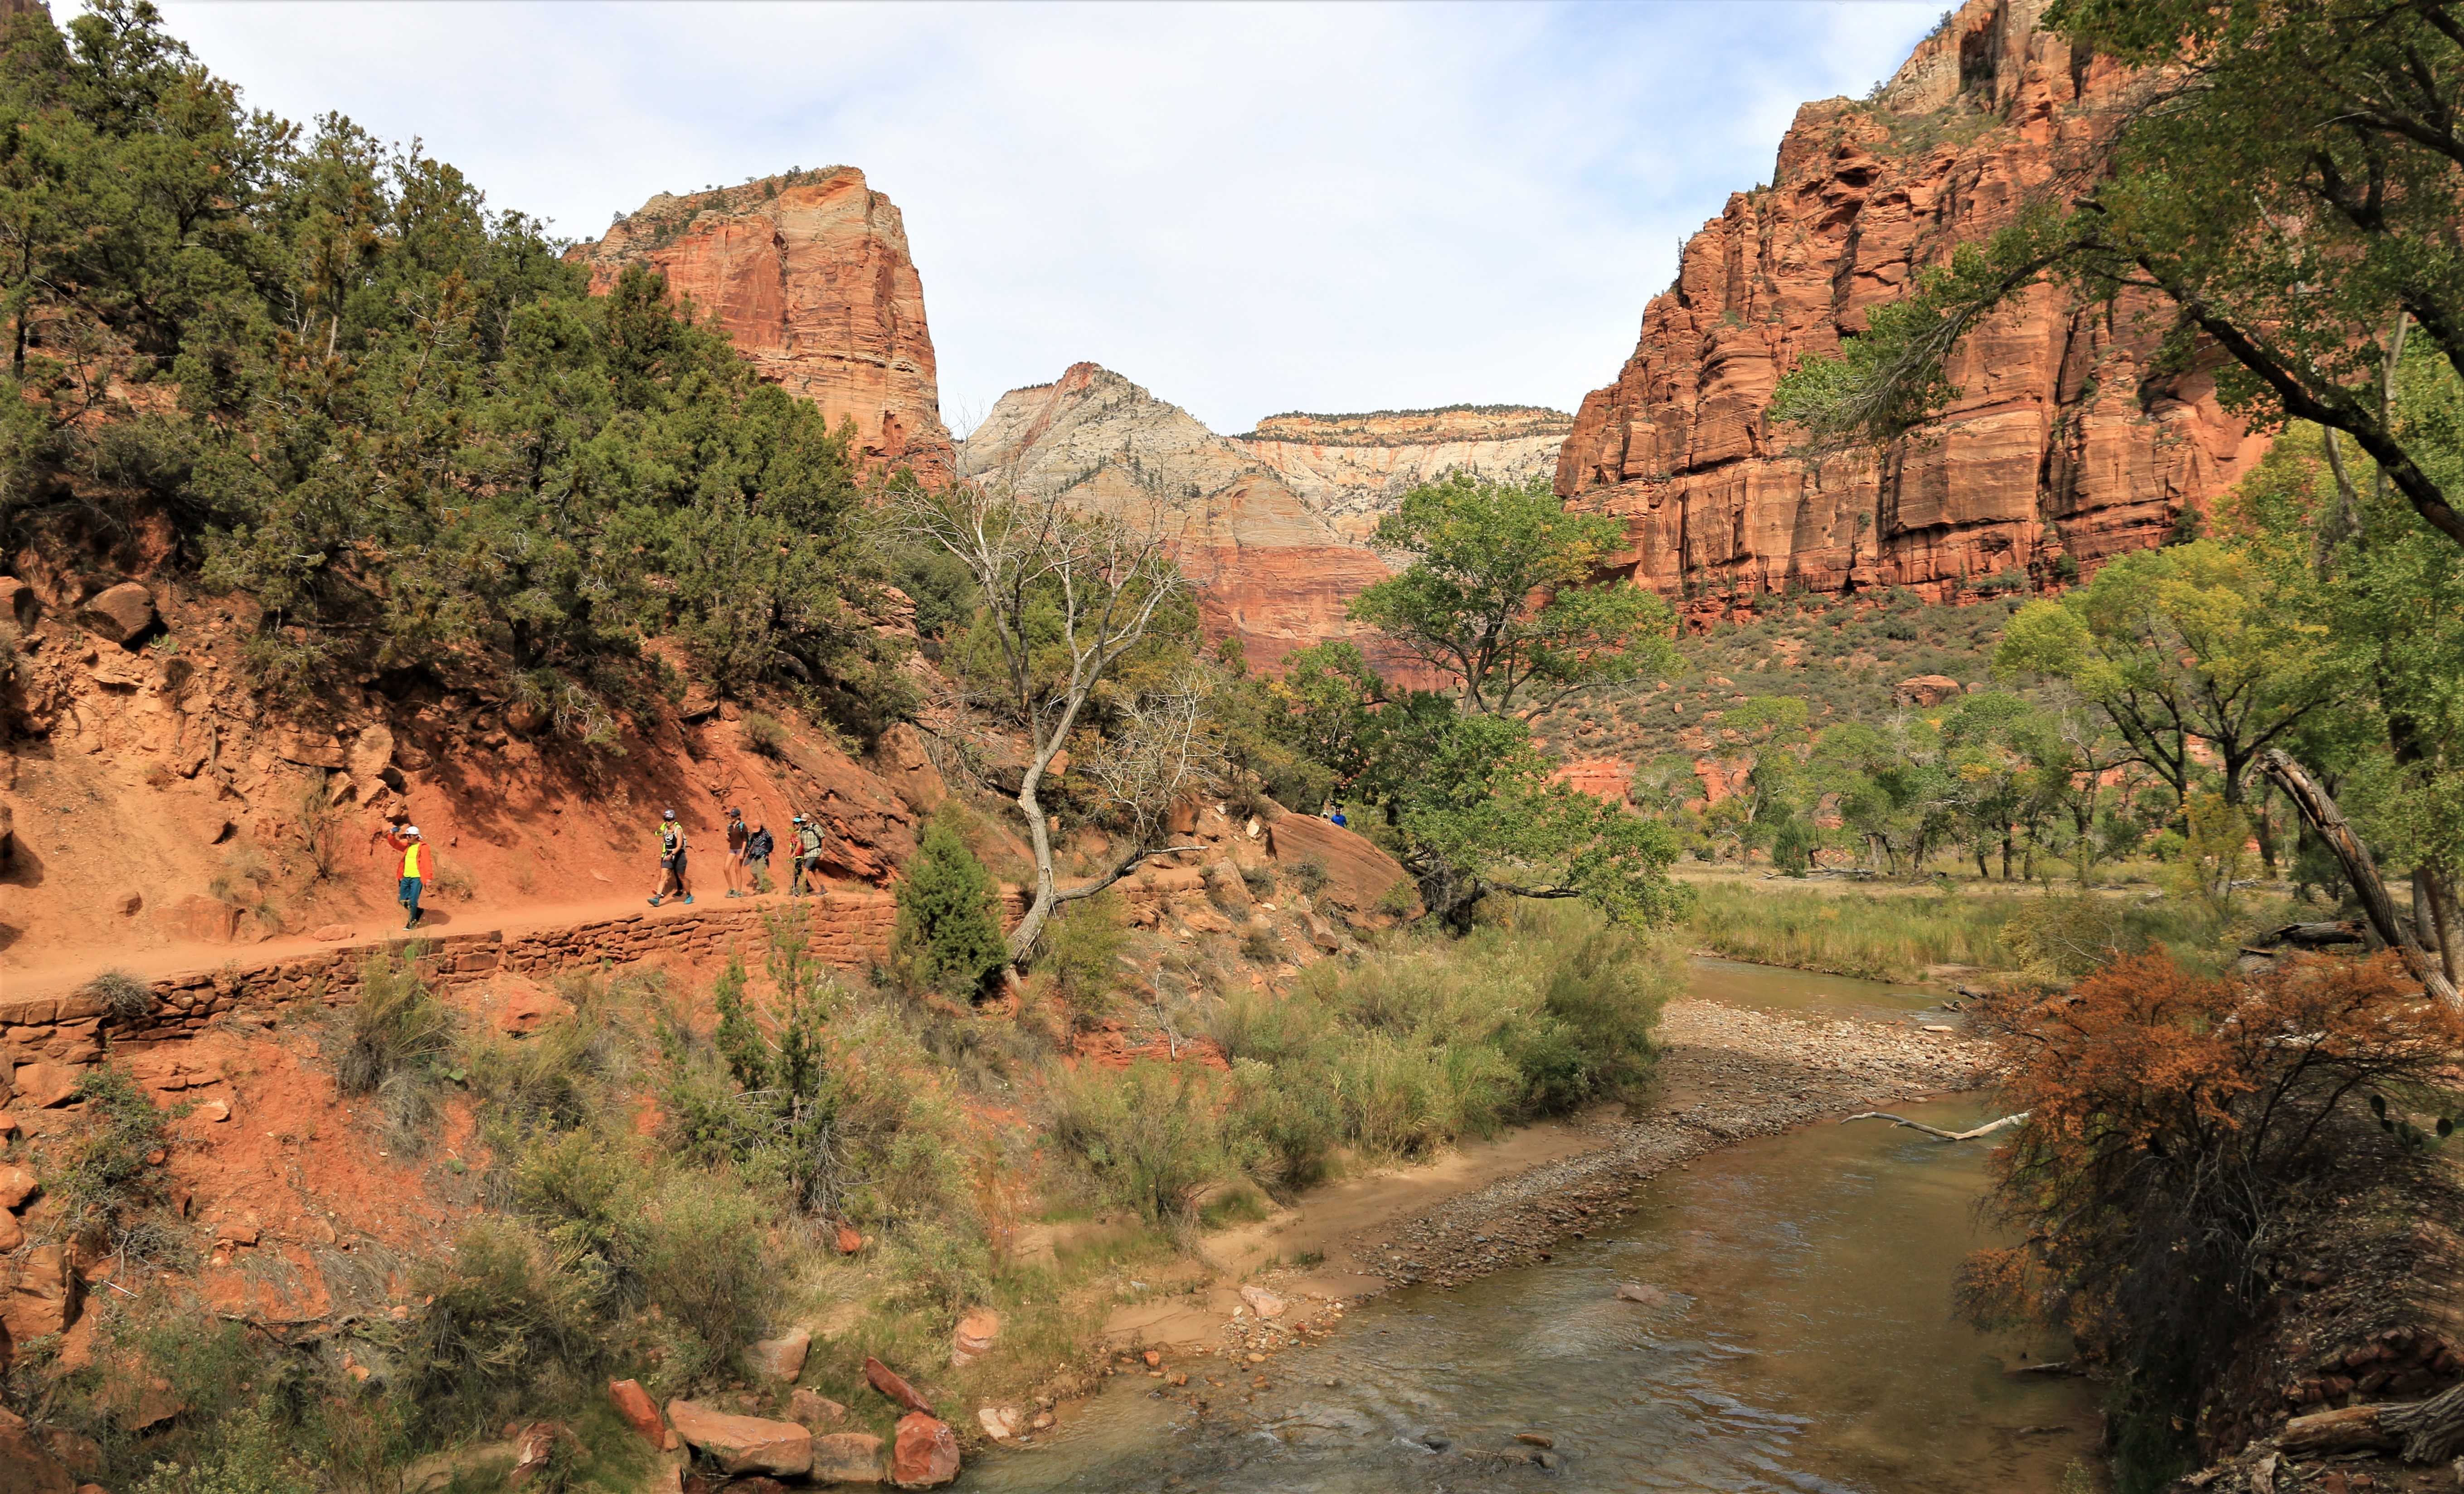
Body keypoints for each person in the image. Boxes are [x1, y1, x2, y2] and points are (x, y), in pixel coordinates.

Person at [370, 822, 427, 930]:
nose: (407, 838)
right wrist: (391, 834)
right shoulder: (407, 846)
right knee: (402, 900)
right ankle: (418, 911)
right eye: (406, 836)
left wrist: (428, 877)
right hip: (405, 877)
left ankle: (412, 923)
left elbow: (427, 862)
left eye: (409, 836)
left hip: (417, 878)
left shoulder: (423, 847)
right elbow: (395, 844)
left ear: (416, 836)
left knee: (413, 901)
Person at [649, 809, 694, 907]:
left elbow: (679, 846)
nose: (667, 822)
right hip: (668, 855)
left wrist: (671, 855)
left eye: (669, 820)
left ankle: (689, 895)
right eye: (665, 819)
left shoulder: (678, 831)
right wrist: (667, 855)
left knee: (682, 877)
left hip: (679, 855)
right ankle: (657, 899)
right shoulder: (665, 830)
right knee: (663, 877)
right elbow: (663, 840)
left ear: (674, 820)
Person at [788, 813, 827, 896]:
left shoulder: (815, 828)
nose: (803, 823)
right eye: (802, 822)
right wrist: (794, 853)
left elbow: (823, 839)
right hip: (807, 853)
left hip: (814, 851)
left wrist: (823, 853)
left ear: (809, 820)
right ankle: (823, 889)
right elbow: (799, 842)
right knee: (814, 871)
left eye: (805, 821)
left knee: (805, 868)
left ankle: (800, 890)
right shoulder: (802, 829)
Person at [723, 806, 750, 897]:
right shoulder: (729, 827)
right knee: (726, 868)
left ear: (739, 816)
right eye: (731, 816)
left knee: (737, 870)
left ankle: (739, 891)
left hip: (740, 849)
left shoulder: (743, 826)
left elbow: (745, 840)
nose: (732, 818)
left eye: (734, 816)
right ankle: (731, 889)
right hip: (732, 848)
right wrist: (728, 838)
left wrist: (742, 852)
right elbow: (731, 840)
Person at [744, 820, 774, 893]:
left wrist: (767, 852)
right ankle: (763, 882)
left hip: (763, 854)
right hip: (754, 854)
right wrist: (748, 850)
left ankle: (761, 888)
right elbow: (750, 842)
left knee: (760, 871)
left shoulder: (766, 833)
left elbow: (771, 843)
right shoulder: (754, 834)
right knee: (753, 870)